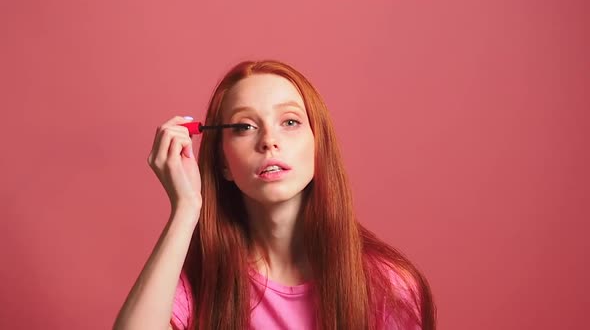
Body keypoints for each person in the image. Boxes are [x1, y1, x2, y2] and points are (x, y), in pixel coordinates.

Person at [113, 60, 436, 330]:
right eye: (244, 127)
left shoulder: (387, 285)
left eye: (290, 121)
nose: (269, 141)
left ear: (318, 147)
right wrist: (185, 209)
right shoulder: (201, 279)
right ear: (223, 162)